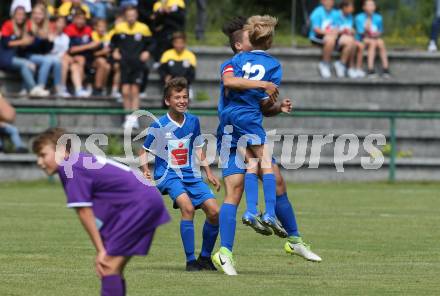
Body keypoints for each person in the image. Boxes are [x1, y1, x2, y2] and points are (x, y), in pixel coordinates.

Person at [212, 16, 322, 276]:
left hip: (248, 124)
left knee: (278, 180)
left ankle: (294, 241)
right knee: (235, 189)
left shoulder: (257, 66)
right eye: (247, 38)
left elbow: (264, 106)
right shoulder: (232, 65)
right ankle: (224, 253)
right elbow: (229, 83)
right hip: (230, 132)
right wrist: (263, 83)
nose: (252, 39)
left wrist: (277, 107)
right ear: (239, 45)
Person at [32, 127, 170, 296]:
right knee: (113, 268)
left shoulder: (70, 168)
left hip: (140, 205)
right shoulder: (77, 162)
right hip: (144, 202)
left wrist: (101, 251)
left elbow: (84, 212)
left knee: (108, 266)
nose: (39, 162)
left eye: (43, 155)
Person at [139, 77, 221, 272]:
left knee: (215, 212)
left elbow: (199, 147)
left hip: (191, 175)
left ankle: (205, 258)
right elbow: (144, 151)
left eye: (185, 97)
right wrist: (145, 170)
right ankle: (190, 260)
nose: (182, 100)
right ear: (168, 101)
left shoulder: (193, 121)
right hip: (168, 175)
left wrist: (208, 172)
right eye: (178, 97)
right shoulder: (159, 125)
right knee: (188, 208)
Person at [111, 5, 153, 129]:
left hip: (137, 64)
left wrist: (147, 52)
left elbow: (151, 43)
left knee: (134, 90)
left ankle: (134, 118)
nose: (131, 18)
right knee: (124, 91)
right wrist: (115, 51)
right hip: (124, 63)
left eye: (133, 15)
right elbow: (113, 42)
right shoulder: (119, 28)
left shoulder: (143, 28)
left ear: (136, 16)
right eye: (128, 15)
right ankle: (127, 116)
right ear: (125, 16)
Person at [0, 5, 49, 96]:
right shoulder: (8, 24)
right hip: (5, 58)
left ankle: (25, 89)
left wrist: (43, 38)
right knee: (26, 64)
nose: (20, 17)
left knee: (28, 64)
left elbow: (31, 40)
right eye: (18, 14)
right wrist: (22, 42)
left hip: (16, 57)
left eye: (22, 15)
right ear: (13, 15)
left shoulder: (25, 26)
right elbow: (6, 43)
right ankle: (33, 88)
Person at [309, 0, 355, 78]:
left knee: (350, 40)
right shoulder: (317, 12)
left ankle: (341, 64)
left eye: (331, 1)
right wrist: (331, 33)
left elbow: (338, 27)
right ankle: (325, 64)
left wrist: (340, 31)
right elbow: (316, 29)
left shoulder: (336, 13)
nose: (329, 2)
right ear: (322, 2)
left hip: (334, 35)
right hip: (318, 36)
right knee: (330, 39)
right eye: (327, 1)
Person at [63, 8, 99, 97]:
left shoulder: (88, 30)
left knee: (78, 65)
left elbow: (96, 43)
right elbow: (71, 49)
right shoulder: (69, 29)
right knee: (79, 61)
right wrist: (88, 46)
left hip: (88, 58)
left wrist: (93, 45)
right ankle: (82, 87)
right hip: (72, 58)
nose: (80, 21)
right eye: (78, 18)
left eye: (82, 19)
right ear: (74, 19)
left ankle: (80, 89)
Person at [28, 3, 60, 96]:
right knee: (48, 60)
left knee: (57, 61)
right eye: (35, 13)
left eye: (40, 13)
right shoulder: (28, 25)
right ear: (32, 14)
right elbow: (28, 47)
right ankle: (40, 86)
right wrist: (40, 39)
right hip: (28, 55)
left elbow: (46, 50)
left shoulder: (46, 27)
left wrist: (50, 41)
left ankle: (57, 88)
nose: (37, 16)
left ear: (44, 15)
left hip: (40, 56)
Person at [355, 0, 390, 78]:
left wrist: (377, 34)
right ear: (364, 7)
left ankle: (386, 68)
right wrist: (368, 23)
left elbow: (380, 30)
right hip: (362, 39)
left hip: (374, 38)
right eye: (369, 5)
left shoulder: (378, 17)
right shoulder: (359, 17)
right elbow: (361, 33)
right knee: (372, 42)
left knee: (381, 42)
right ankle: (370, 69)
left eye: (372, 5)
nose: (371, 7)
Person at [158, 32, 196, 100]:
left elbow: (192, 74)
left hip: (184, 86)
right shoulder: (167, 54)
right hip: (170, 85)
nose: (179, 45)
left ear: (185, 43)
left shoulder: (190, 56)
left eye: (181, 43)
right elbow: (162, 70)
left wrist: (183, 82)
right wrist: (165, 77)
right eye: (176, 43)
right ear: (173, 43)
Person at [337, 0, 365, 78]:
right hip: (339, 38)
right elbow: (334, 28)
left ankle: (358, 68)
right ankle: (349, 67)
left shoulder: (350, 17)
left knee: (361, 45)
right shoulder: (336, 15)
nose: (353, 9)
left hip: (349, 38)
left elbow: (351, 30)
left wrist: (352, 31)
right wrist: (344, 31)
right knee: (352, 42)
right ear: (344, 7)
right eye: (351, 7)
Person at [47, 16, 70, 97]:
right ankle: (61, 88)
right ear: (55, 23)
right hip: (50, 57)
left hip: (62, 58)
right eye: (59, 22)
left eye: (63, 23)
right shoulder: (49, 34)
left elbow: (65, 51)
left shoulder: (66, 37)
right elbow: (48, 50)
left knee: (67, 62)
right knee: (63, 62)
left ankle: (63, 88)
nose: (61, 24)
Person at [91, 18, 112, 96]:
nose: (102, 29)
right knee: (102, 62)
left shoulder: (107, 37)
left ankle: (102, 88)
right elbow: (91, 53)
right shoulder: (92, 35)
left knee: (108, 67)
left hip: (104, 59)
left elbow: (109, 51)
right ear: (95, 27)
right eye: (100, 26)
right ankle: (97, 87)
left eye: (104, 27)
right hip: (91, 59)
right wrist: (102, 52)